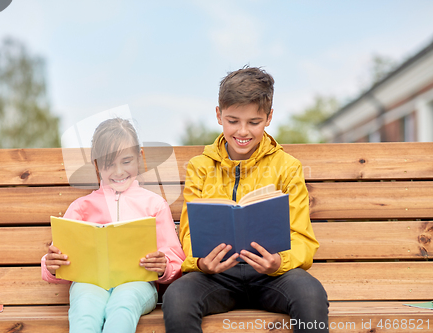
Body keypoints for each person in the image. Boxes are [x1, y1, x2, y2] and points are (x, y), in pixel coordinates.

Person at [162, 66, 329, 333]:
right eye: (233, 120)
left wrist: (279, 262)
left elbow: (302, 237)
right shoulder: (200, 167)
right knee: (178, 297)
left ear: (269, 117)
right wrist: (202, 263)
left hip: (272, 274)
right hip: (216, 276)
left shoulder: (287, 167)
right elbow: (189, 231)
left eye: (254, 122)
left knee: (310, 294)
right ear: (218, 115)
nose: (243, 132)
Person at [41, 117, 185, 333]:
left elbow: (175, 259)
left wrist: (164, 266)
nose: (118, 172)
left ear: (139, 157)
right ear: (97, 165)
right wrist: (51, 265)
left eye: (126, 162)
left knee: (122, 306)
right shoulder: (81, 207)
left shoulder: (154, 205)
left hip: (137, 283)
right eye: (109, 164)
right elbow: (59, 259)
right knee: (85, 311)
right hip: (89, 284)